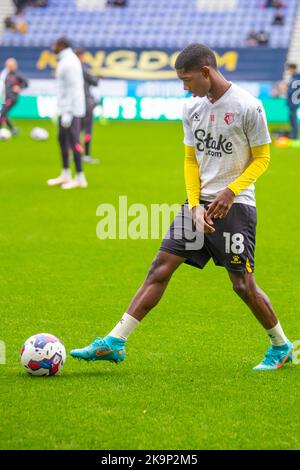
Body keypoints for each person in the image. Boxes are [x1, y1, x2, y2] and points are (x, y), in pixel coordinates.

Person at [70, 43, 293, 371]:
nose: (184, 87)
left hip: (235, 207)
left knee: (242, 284)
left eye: (187, 80)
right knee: (160, 266)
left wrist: (231, 192)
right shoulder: (192, 109)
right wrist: (193, 205)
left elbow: (263, 158)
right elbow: (191, 159)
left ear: (206, 72)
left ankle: (281, 346)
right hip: (198, 207)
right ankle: (115, 341)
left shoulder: (249, 106)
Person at [47, 37, 87, 189]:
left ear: (61, 45)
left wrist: (68, 112)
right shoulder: (65, 60)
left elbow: (73, 88)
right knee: (62, 140)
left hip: (72, 110)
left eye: (55, 44)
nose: (53, 46)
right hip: (66, 109)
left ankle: (80, 177)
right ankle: (65, 174)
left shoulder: (69, 62)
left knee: (74, 142)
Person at [75, 48, 100, 165]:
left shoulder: (72, 69)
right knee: (87, 130)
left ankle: (75, 153)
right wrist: (96, 76)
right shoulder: (83, 69)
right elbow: (94, 82)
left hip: (75, 103)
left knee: (76, 129)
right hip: (86, 102)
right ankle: (86, 156)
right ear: (81, 56)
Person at [0, 58, 28, 135]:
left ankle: (11, 130)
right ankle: (13, 130)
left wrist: (19, 87)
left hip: (12, 97)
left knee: (2, 113)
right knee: (3, 114)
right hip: (5, 97)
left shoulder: (17, 74)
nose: (8, 66)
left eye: (10, 65)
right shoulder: (5, 74)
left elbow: (26, 83)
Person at [286, 63, 300, 141]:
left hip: (293, 101)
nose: (289, 71)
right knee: (291, 119)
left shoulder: (296, 78)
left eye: (289, 69)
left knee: (293, 119)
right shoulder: (295, 77)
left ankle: (294, 136)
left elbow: (293, 90)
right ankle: (293, 135)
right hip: (293, 101)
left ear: (293, 68)